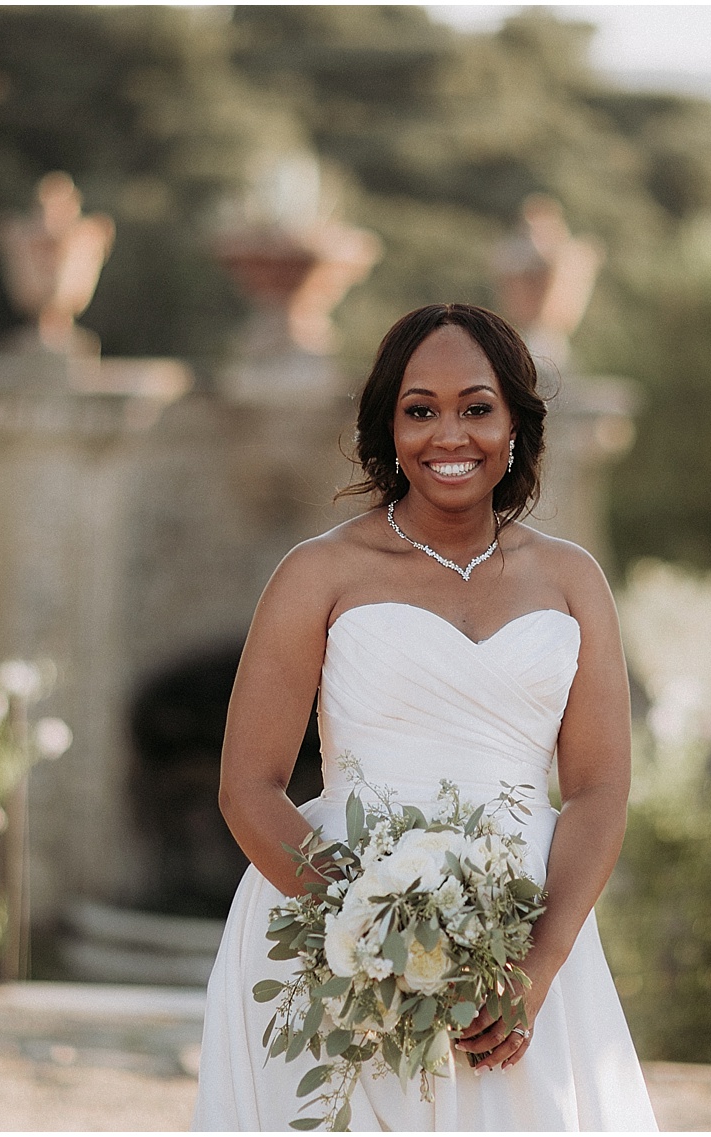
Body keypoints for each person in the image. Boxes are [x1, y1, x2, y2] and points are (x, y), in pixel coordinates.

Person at [192, 303, 658, 1131]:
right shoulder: (318, 572)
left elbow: (597, 789)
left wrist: (538, 966)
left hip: (521, 934)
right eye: (421, 410)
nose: (451, 434)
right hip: (336, 935)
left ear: (515, 421)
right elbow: (248, 786)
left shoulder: (573, 580)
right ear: (389, 427)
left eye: (477, 408)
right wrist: (370, 927)